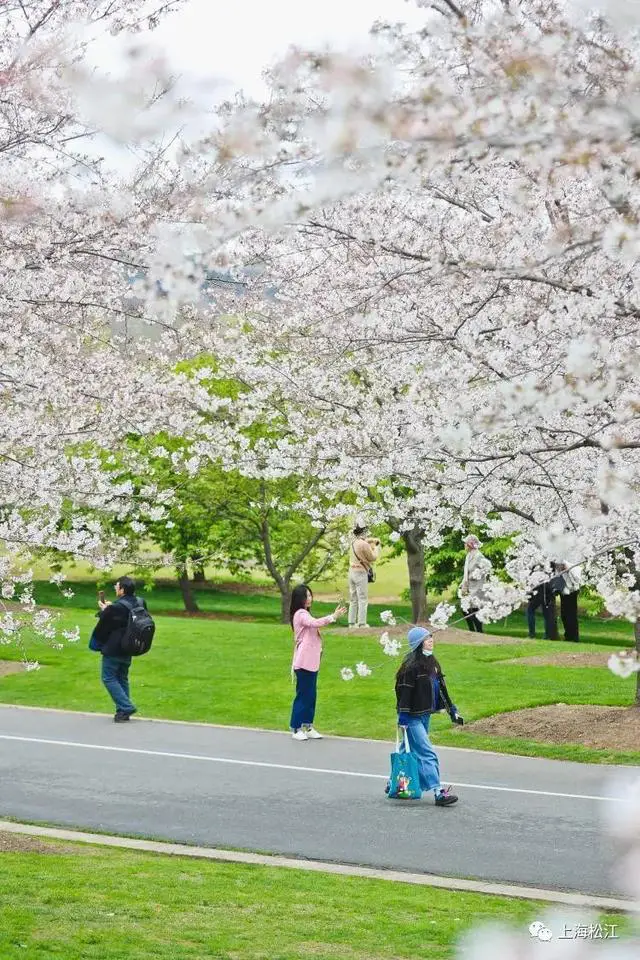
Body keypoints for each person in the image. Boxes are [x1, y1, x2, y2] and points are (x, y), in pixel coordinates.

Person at [395, 626, 463, 807]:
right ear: (418, 643)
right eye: (426, 638)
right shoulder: (411, 666)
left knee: (405, 751)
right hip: (411, 718)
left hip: (425, 715)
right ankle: (438, 792)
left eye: (431, 636)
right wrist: (403, 716)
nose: (431, 640)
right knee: (427, 753)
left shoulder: (432, 662)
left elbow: (441, 688)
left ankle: (395, 784)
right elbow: (404, 692)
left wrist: (452, 709)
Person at [289, 584, 346, 741]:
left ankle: (308, 726)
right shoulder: (301, 614)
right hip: (304, 662)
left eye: (310, 595)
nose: (310, 598)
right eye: (306, 596)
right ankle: (296, 727)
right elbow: (315, 623)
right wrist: (333, 616)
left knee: (311, 695)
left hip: (312, 662)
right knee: (303, 695)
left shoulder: (305, 613)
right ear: (299, 599)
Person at [92, 576, 146, 723]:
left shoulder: (116, 608)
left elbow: (105, 626)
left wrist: (105, 610)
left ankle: (126, 707)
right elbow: (122, 617)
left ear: (122, 589)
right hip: (130, 646)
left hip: (114, 647)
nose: (115, 588)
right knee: (122, 677)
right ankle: (122, 712)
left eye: (117, 586)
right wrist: (109, 608)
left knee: (108, 677)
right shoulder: (139, 602)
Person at [348, 524, 381, 629]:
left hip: (352, 572)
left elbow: (365, 541)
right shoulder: (364, 544)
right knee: (362, 598)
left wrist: (372, 540)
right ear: (363, 532)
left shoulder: (353, 542)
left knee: (353, 598)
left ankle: (351, 622)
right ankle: (362, 623)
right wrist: (376, 547)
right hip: (361, 573)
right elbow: (373, 557)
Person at [459, 534, 491, 632]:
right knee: (464, 608)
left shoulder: (479, 556)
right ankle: (472, 630)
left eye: (466, 543)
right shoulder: (468, 556)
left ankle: (479, 631)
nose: (464, 545)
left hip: (477, 587)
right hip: (469, 586)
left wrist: (474, 576)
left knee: (474, 610)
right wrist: (463, 583)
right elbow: (466, 571)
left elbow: (486, 568)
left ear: (470, 544)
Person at [526, 567, 558, 640]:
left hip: (540, 592)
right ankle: (546, 635)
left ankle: (532, 634)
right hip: (546, 592)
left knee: (531, 611)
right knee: (546, 615)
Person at [556, 562, 582, 642]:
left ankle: (573, 636)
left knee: (571, 615)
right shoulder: (562, 571)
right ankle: (568, 635)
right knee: (564, 614)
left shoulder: (574, 569)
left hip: (571, 592)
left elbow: (577, 579)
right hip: (564, 592)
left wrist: (568, 569)